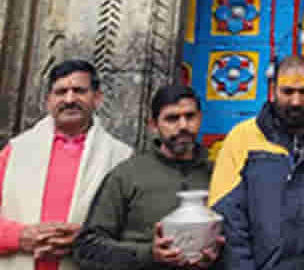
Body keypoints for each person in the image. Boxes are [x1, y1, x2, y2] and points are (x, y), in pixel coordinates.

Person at [0, 59, 132, 270]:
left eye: (79, 91)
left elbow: (135, 231)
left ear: (97, 98)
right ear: (48, 101)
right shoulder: (17, 150)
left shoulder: (121, 157)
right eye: (61, 92)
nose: (69, 99)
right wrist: (21, 236)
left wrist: (87, 240)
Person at [210, 55, 304, 270]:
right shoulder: (242, 139)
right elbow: (228, 217)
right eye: (287, 92)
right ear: (273, 90)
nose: (296, 101)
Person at [73, 85, 220, 270]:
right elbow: (87, 248)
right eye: (172, 118)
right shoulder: (127, 176)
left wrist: (217, 255)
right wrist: (149, 255)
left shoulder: (218, 174)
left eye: (190, 116)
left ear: (200, 118)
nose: (183, 126)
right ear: (153, 125)